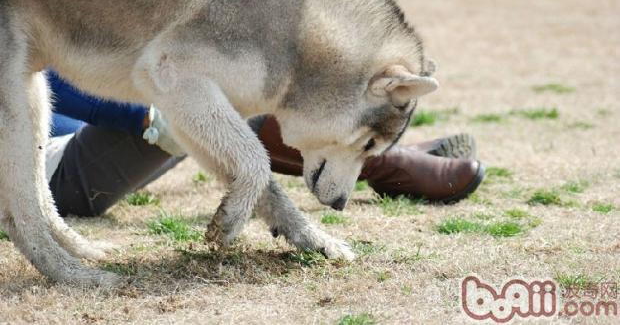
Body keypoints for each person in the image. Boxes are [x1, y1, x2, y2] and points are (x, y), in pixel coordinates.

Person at [46, 70, 485, 217]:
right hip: (50, 171)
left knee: (214, 73)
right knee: (211, 92)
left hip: (85, 139)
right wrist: (143, 114)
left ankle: (372, 156)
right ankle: (379, 164)